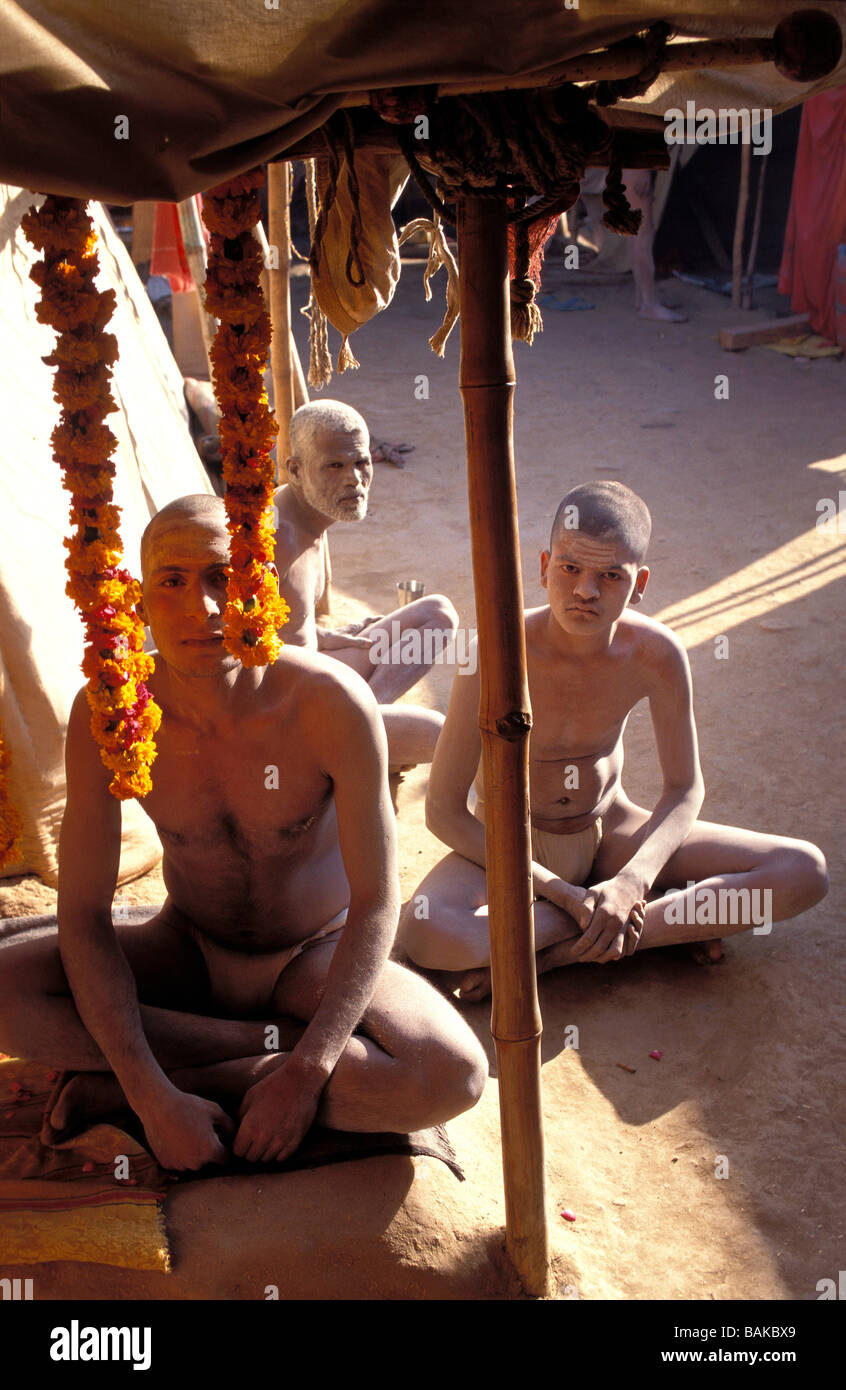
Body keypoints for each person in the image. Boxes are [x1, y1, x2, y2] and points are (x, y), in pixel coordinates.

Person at [0, 496, 487, 1170]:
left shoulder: (329, 703)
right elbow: (83, 916)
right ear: (138, 600)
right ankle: (252, 1051)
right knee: (6, 996)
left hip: (313, 955)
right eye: (172, 581)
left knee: (450, 1073)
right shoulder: (111, 707)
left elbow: (376, 902)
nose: (201, 609)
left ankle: (206, 1075)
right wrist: (150, 1097)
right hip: (187, 945)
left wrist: (308, 1072)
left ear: (260, 585)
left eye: (222, 578)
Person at [400, 480, 828, 1002]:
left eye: (610, 575)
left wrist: (632, 881)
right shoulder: (490, 653)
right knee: (427, 934)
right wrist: (560, 892)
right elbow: (443, 811)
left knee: (803, 872)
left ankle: (557, 955)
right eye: (569, 568)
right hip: (510, 844)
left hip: (612, 834)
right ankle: (623, 925)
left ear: (639, 582)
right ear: (543, 566)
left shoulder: (655, 653)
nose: (585, 590)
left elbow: (684, 788)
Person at [273, 400, 459, 768]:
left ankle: (366, 715)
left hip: (322, 677)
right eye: (335, 466)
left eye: (361, 463)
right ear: (295, 470)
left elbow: (289, 626)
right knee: (440, 736)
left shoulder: (313, 515)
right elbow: (244, 661)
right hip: (292, 716)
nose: (353, 479)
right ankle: (358, 731)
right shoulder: (275, 541)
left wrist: (326, 636)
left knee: (436, 615)